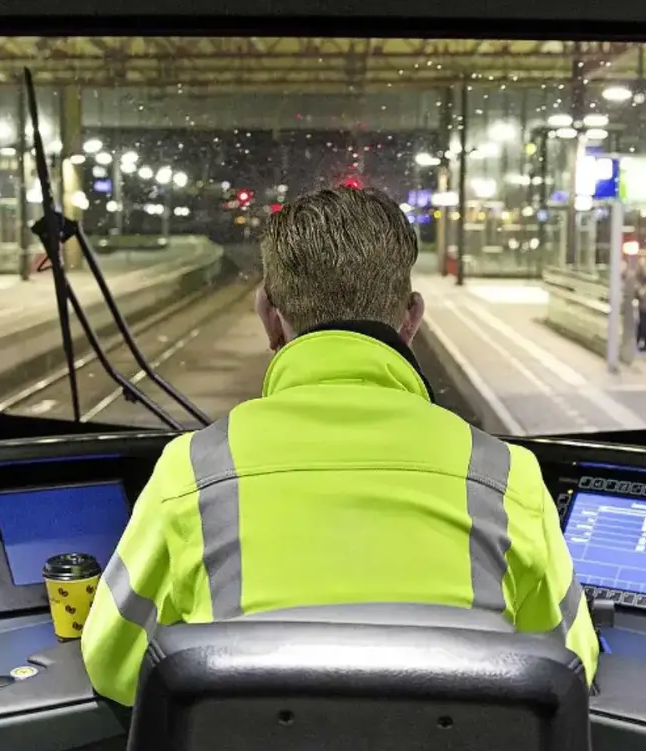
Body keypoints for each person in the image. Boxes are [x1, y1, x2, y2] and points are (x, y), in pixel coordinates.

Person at [81, 187, 601, 705]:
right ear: (412, 317)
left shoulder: (190, 472)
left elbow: (113, 662)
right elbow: (570, 663)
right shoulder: (508, 476)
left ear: (267, 314)